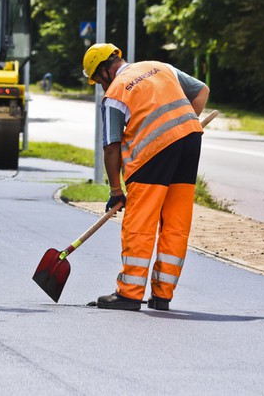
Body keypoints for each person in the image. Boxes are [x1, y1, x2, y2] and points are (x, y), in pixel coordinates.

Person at [82, 43, 209, 311]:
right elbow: (201, 91)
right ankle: (163, 294)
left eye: (97, 81)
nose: (100, 87)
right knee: (176, 220)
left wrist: (116, 190)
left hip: (153, 155)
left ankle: (129, 294)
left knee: (140, 221)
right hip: (190, 141)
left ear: (104, 71)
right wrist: (179, 129)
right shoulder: (159, 67)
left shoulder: (115, 94)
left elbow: (111, 147)